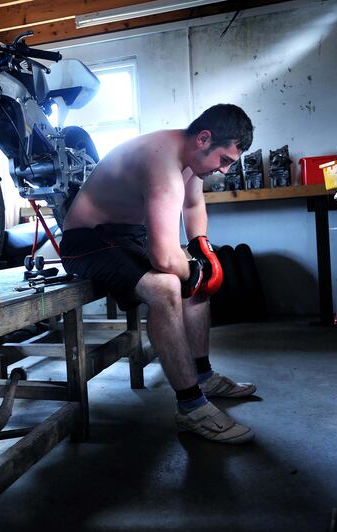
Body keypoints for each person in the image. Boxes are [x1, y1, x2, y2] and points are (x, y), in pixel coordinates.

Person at [60, 104, 257, 444]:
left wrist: (202, 250)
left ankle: (203, 374)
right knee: (167, 285)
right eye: (224, 160)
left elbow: (193, 206)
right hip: (87, 240)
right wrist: (191, 269)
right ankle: (192, 407)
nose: (224, 171)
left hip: (127, 237)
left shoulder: (192, 160)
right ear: (204, 139)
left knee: (197, 280)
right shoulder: (162, 162)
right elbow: (165, 258)